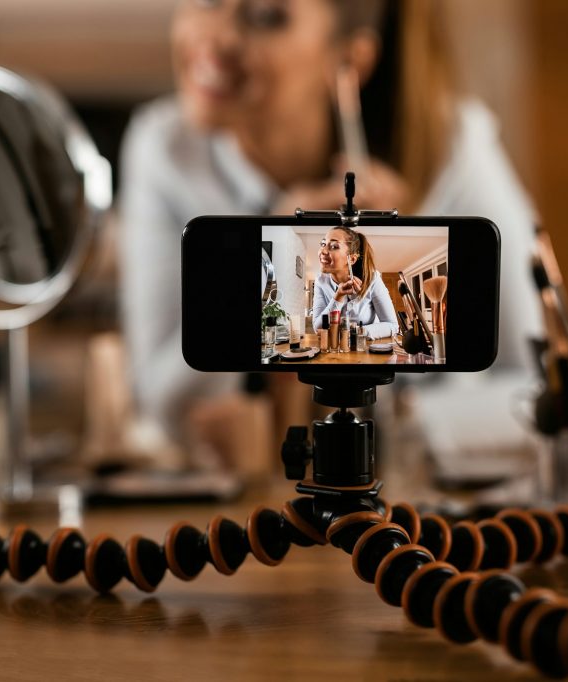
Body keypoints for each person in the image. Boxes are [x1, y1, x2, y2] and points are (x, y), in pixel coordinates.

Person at [118, 0, 542, 443]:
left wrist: (392, 425)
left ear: (348, 57)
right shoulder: (164, 151)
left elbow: (536, 394)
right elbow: (162, 402)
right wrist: (277, 258)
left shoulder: (448, 147)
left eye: (266, 16)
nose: (214, 36)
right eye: (207, 1)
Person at [310, 226, 398, 340]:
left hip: (367, 352)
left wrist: (354, 333)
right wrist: (338, 297)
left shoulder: (372, 278)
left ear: (351, 259)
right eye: (323, 244)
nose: (323, 251)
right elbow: (318, 328)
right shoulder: (321, 281)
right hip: (334, 353)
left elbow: (393, 326)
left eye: (333, 246)